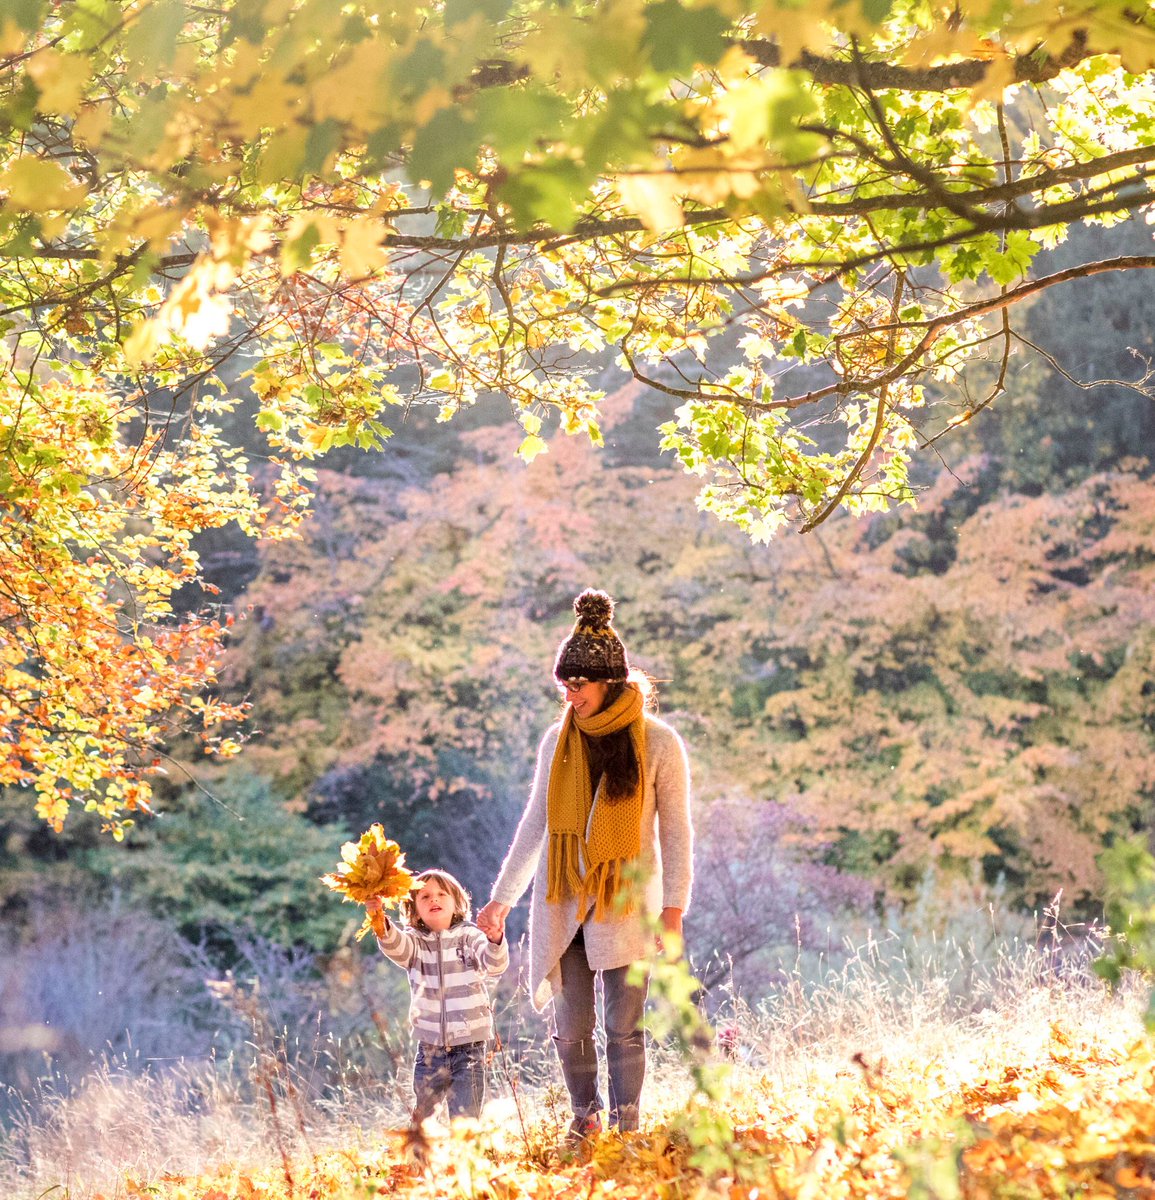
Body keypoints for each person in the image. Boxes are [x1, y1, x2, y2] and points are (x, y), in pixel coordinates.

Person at [477, 588, 693, 1143]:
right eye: (563, 686)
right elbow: (536, 824)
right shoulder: (558, 742)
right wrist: (502, 899)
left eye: (580, 685)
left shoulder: (658, 743)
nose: (570, 696)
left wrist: (673, 913)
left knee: (625, 1028)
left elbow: (675, 833)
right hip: (563, 899)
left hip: (626, 903)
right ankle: (586, 1117)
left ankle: (627, 1127)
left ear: (610, 683)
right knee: (571, 1028)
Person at [365, 868, 509, 1126]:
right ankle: (421, 1164)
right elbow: (394, 944)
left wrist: (495, 939)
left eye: (442, 894)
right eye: (425, 897)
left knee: (465, 1122)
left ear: (456, 903)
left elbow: (494, 965)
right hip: (430, 1051)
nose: (434, 899)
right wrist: (378, 918)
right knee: (423, 1121)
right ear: (414, 909)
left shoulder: (469, 936)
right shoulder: (415, 943)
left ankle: (465, 1163)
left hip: (470, 1048)